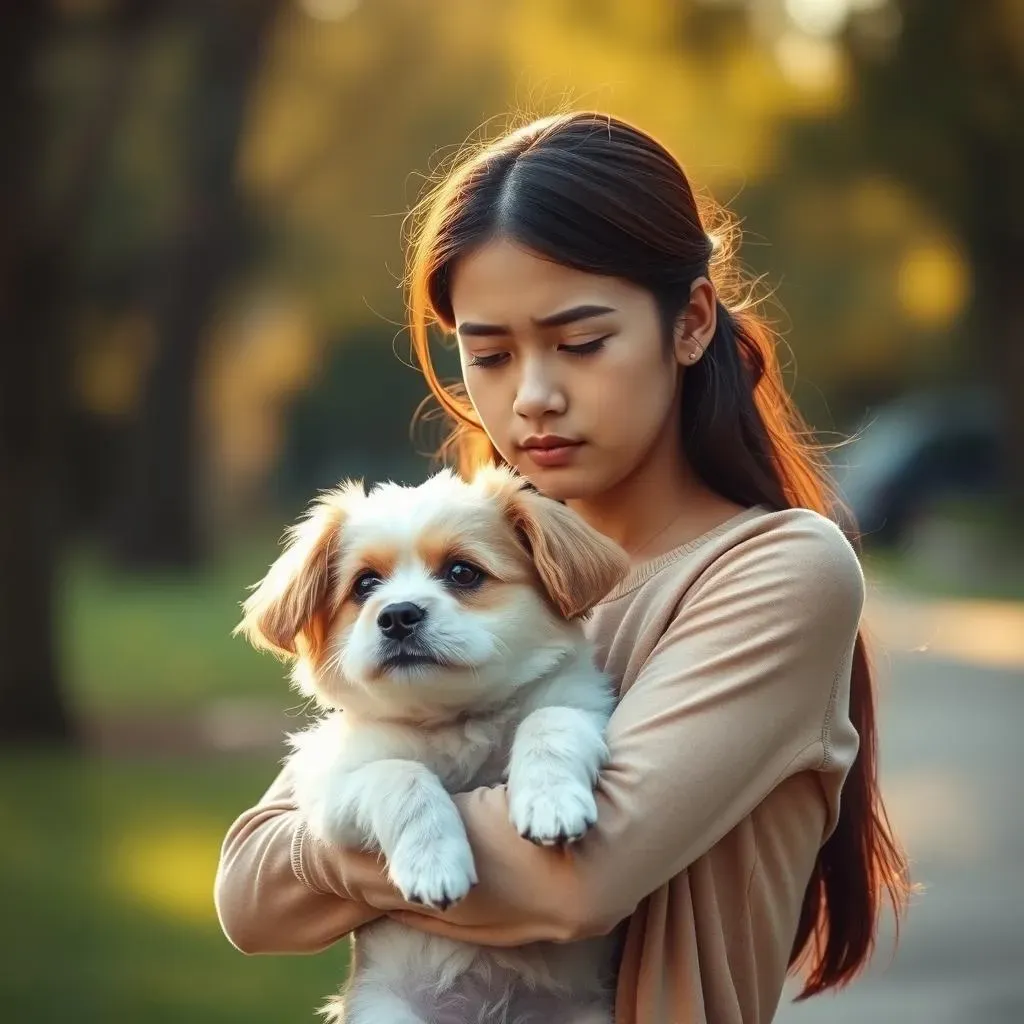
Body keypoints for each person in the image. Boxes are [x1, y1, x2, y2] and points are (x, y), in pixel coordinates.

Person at [214, 111, 911, 1023]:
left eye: (580, 343)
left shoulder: (776, 571)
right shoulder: (476, 539)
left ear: (691, 322)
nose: (533, 396)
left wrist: (359, 850)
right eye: (489, 355)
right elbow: (250, 893)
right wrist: (389, 813)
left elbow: (574, 884)